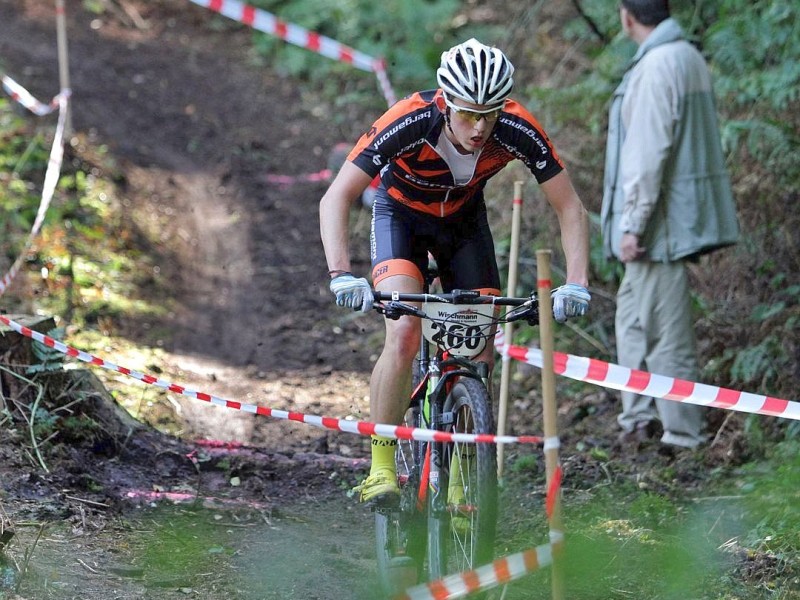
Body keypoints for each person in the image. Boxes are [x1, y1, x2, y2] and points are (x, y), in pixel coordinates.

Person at [320, 38, 591, 502]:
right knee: (404, 330)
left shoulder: (516, 127)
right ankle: (382, 465)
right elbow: (336, 196)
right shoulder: (409, 118)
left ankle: (464, 475)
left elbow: (570, 208)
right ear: (445, 102)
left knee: (479, 347)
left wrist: (577, 284)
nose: (480, 126)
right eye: (467, 113)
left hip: (463, 224)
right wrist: (341, 273)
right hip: (400, 217)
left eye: (490, 113)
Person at [601, 0, 739, 450]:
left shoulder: (659, 65)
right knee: (633, 322)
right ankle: (638, 420)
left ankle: (683, 437)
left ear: (627, 16)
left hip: (659, 228)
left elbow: (648, 153)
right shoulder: (686, 56)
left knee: (666, 335)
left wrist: (633, 225)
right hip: (669, 220)